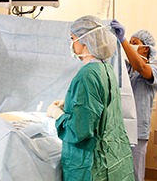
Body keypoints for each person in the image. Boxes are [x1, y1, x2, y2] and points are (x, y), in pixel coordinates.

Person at [47, 15, 134, 181]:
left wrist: (57, 114)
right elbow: (102, 106)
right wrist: (70, 104)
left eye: (73, 39)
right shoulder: (105, 68)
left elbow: (78, 130)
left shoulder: (87, 74)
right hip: (113, 156)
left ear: (84, 40)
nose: (72, 43)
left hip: (91, 165)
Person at [111, 20, 157, 181]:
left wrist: (123, 40)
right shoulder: (125, 68)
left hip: (138, 131)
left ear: (146, 48)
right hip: (121, 128)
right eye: (129, 42)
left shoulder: (154, 69)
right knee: (119, 171)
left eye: (134, 43)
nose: (130, 45)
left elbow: (140, 67)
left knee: (135, 173)